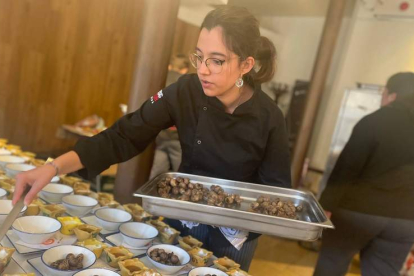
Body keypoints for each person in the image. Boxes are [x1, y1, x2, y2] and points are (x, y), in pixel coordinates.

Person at [13, 6, 291, 271]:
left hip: (233, 238)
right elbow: (125, 134)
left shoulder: (270, 118)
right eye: (199, 57)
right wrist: (53, 167)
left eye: (216, 61)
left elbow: (274, 194)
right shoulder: (186, 91)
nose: (203, 69)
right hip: (181, 220)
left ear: (246, 64)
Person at [314, 72, 414, 276]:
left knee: (332, 262)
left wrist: (326, 205)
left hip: (358, 212)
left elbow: (347, 168)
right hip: (405, 219)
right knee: (383, 271)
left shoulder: (376, 121)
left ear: (392, 95)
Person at [149, 54, 189, 180]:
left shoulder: (159, 80)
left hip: (159, 134)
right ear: (185, 69)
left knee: (157, 172)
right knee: (180, 175)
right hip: (177, 136)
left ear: (169, 66)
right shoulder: (186, 84)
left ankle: (153, 196)